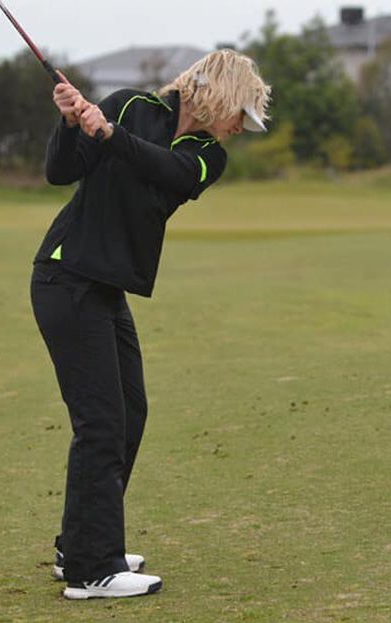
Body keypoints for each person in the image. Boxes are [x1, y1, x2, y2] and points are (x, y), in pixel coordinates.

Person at [30, 48, 271, 600]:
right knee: (101, 423)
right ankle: (93, 569)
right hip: (67, 279)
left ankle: (80, 543)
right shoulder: (128, 106)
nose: (241, 128)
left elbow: (165, 170)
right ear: (221, 96)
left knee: (129, 413)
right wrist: (70, 125)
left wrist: (108, 134)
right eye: (241, 114)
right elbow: (59, 172)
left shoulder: (206, 156)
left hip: (104, 288)